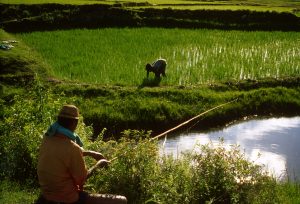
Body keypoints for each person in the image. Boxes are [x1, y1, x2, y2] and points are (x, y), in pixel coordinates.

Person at [36, 104, 127, 204]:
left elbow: (62, 153)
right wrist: (99, 164)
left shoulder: (47, 138)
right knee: (122, 200)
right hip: (67, 199)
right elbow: (81, 179)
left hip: (46, 195)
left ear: (58, 120)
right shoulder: (72, 148)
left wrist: (90, 153)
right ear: (75, 123)